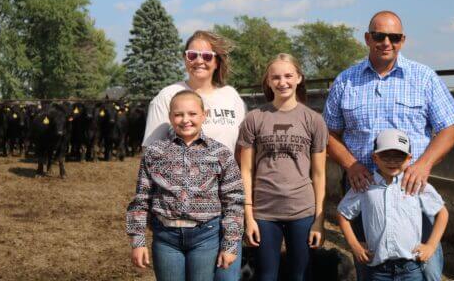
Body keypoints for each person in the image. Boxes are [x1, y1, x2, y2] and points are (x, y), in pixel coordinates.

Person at [323, 11, 454, 281]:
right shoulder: (346, 81)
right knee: (370, 261)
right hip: (363, 186)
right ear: (367, 38)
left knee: (427, 265)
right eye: (379, 36)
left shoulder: (424, 78)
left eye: (394, 37)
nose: (386, 42)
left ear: (403, 40)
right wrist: (349, 164)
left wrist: (423, 165)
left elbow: (449, 129)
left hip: (411, 187)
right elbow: (327, 133)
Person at [142, 30, 246, 281]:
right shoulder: (167, 96)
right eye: (192, 54)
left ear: (217, 60)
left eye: (207, 55)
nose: (199, 60)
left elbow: (243, 153)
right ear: (184, 58)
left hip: (224, 209)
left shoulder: (232, 97)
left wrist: (242, 210)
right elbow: (150, 159)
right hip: (181, 215)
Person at [126, 90, 244, 281]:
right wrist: (137, 241)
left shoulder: (220, 153)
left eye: (192, 114)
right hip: (166, 238)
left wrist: (230, 244)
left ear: (204, 115)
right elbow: (141, 199)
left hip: (206, 237)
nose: (185, 120)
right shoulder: (155, 152)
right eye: (178, 114)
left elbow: (234, 200)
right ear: (170, 117)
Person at [238, 53, 327, 281]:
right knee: (266, 276)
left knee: (300, 275)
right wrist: (249, 216)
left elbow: (318, 174)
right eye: (276, 77)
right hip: (265, 211)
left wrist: (319, 218)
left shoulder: (314, 120)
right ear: (268, 81)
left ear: (299, 78)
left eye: (288, 75)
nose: (282, 82)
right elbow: (246, 171)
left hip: (302, 210)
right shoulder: (254, 118)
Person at [337, 129, 449, 281]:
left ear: (409, 158)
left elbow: (442, 213)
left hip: (411, 268)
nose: (392, 161)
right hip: (378, 270)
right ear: (375, 157)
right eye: (386, 156)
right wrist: (354, 245)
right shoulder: (366, 186)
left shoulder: (416, 185)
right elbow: (343, 214)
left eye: (399, 156)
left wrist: (430, 246)